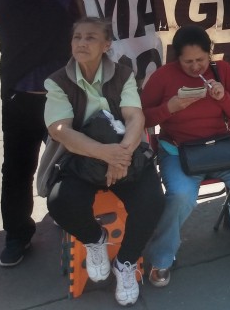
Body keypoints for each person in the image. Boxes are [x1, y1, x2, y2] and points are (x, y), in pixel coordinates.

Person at [44, 18, 165, 306]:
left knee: (152, 202)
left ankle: (125, 262)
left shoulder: (123, 74)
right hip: (81, 156)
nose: (82, 43)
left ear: (106, 44)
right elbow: (60, 130)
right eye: (77, 37)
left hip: (125, 151)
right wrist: (105, 153)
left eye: (90, 37)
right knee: (60, 200)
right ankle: (94, 240)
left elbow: (135, 117)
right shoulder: (58, 81)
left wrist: (121, 155)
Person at [142, 26, 230, 287]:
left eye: (200, 60)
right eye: (187, 61)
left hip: (220, 146)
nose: (195, 67)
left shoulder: (220, 70)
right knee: (180, 195)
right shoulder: (163, 77)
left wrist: (223, 98)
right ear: (176, 57)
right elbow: (141, 117)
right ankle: (162, 256)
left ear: (209, 54)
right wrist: (169, 108)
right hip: (178, 150)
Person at [0, 0, 79, 267]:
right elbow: (45, 22)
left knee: (69, 164)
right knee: (18, 169)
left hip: (62, 100)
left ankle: (66, 212)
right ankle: (17, 234)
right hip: (23, 101)